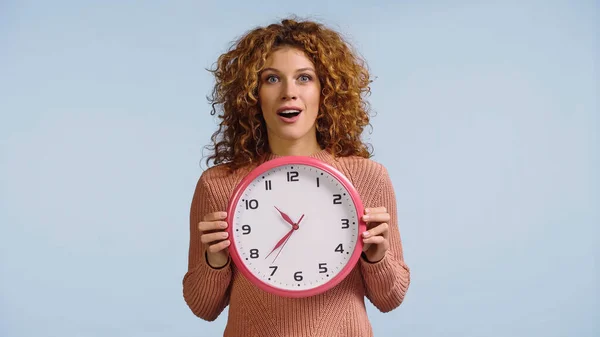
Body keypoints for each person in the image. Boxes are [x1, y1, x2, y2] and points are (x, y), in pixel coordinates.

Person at [182, 17, 410, 337]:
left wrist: (377, 256)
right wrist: (215, 260)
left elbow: (391, 298)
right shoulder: (218, 185)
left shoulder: (367, 178)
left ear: (325, 90)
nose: (289, 92)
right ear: (252, 94)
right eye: (272, 79)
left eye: (304, 78)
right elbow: (201, 306)